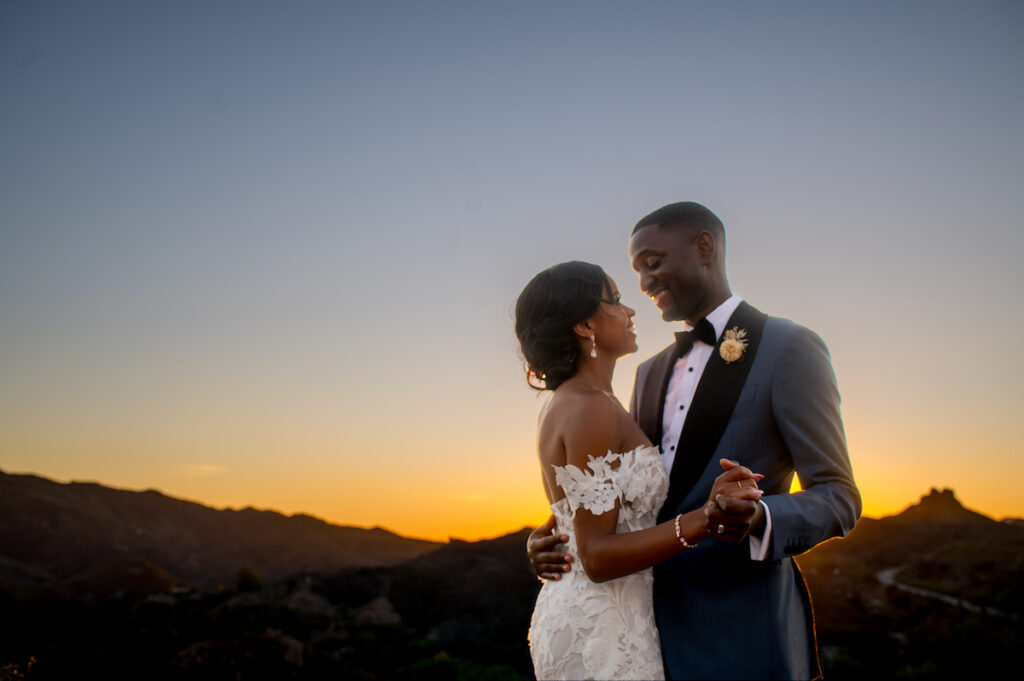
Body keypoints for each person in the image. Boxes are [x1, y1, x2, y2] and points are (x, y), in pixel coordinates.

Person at [527, 202, 861, 680]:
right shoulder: (647, 372)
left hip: (742, 629)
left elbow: (839, 495)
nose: (644, 283)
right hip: (646, 629)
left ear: (704, 247)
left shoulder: (790, 347)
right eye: (637, 271)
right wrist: (548, 539)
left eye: (653, 262)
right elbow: (610, 488)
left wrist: (761, 516)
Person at [515, 260, 763, 681]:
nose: (630, 311)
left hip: (608, 614)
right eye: (614, 300)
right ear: (583, 326)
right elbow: (595, 556)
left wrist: (543, 539)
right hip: (602, 629)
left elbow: (578, 513)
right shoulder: (588, 406)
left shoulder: (584, 400)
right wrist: (705, 518)